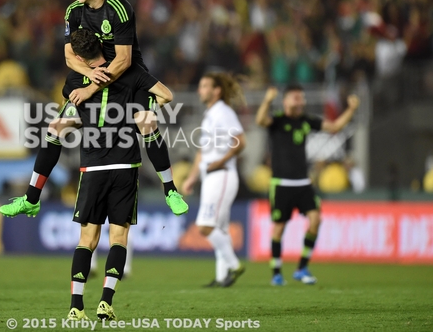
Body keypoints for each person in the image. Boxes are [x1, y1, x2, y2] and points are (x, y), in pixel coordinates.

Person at [0, 0, 187, 219]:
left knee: (147, 121)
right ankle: (31, 198)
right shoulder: (73, 11)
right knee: (55, 128)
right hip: (93, 72)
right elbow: (68, 55)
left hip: (127, 74)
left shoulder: (119, 9)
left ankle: (170, 190)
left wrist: (89, 90)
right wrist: (89, 74)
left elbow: (123, 60)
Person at [55, 29, 175, 320]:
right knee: (119, 236)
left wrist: (82, 123)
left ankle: (75, 306)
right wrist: (141, 111)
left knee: (87, 238)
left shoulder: (74, 81)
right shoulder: (131, 74)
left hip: (92, 166)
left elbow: (64, 123)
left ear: (79, 56)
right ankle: (106, 301)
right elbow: (166, 96)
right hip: (124, 166)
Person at [255, 85, 359, 285]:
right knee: (279, 228)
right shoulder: (277, 121)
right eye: (296, 98)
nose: (300, 101)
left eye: (301, 98)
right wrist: (267, 100)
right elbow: (260, 120)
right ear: (285, 101)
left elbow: (335, 126)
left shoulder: (306, 121)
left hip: (303, 182)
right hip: (281, 183)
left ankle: (301, 268)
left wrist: (351, 109)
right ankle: (276, 272)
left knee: (315, 220)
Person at [182, 73, 247, 287]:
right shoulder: (210, 114)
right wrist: (192, 177)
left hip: (222, 175)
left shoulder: (224, 112)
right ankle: (222, 277)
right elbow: (202, 151)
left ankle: (234, 265)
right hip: (209, 176)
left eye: (204, 86)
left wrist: (222, 162)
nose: (200, 90)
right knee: (220, 227)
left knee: (205, 226)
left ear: (216, 90)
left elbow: (240, 141)